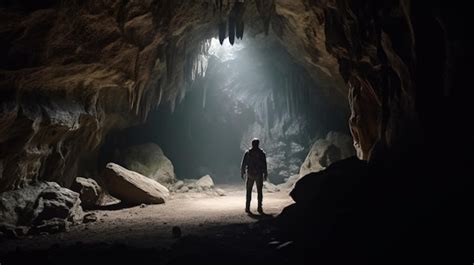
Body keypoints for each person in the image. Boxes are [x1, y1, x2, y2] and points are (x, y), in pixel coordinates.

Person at [240, 138, 268, 214]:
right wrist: (265, 173)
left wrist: (242, 172)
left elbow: (243, 163)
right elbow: (264, 164)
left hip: (250, 174)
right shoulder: (261, 153)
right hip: (258, 174)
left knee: (249, 191)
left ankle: (247, 207)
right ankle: (259, 207)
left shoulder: (248, 153)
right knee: (259, 191)